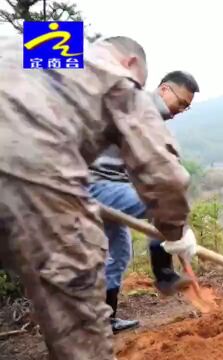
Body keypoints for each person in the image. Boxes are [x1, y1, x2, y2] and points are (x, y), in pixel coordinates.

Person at [0, 35, 197, 360]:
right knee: (78, 315)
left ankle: (109, 314)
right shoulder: (119, 78)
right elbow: (166, 178)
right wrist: (176, 233)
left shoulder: (52, 43)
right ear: (132, 64)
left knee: (117, 248)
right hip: (36, 174)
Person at [88, 70, 200, 333]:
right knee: (163, 203)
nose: (182, 109)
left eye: (187, 107)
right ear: (164, 90)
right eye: (181, 102)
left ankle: (107, 319)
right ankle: (164, 274)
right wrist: (177, 231)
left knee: (119, 253)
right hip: (95, 185)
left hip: (112, 186)